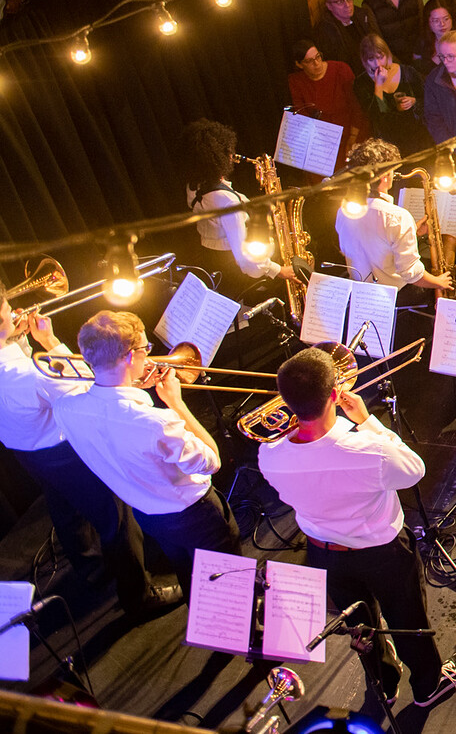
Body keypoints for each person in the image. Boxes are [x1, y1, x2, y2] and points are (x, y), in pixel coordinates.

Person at [260, 347, 456, 708]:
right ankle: (427, 684)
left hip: (322, 551)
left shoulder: (269, 454)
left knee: (360, 626)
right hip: (382, 552)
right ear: (332, 396)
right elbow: (414, 470)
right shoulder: (367, 450)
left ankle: (383, 683)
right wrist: (367, 421)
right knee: (407, 619)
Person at [0, 292, 173, 616]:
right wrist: (49, 340)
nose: (16, 313)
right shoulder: (30, 372)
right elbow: (85, 385)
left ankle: (92, 570)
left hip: (25, 450)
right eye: (9, 311)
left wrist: (18, 339)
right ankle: (139, 597)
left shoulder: (14, 361)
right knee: (117, 516)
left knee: (63, 506)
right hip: (62, 449)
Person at [53, 311, 241, 595]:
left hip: (148, 515)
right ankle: (247, 631)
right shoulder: (157, 422)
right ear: (129, 357)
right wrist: (175, 402)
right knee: (231, 582)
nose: (149, 356)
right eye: (145, 349)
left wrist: (129, 384)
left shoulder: (64, 408)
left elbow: (109, 407)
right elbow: (211, 461)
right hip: (195, 515)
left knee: (190, 577)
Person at [177, 118, 304, 299]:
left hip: (214, 263)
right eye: (229, 152)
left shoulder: (194, 186)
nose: (233, 156)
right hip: (242, 277)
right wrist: (279, 270)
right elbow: (247, 261)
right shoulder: (228, 201)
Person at [335, 139, 456, 299]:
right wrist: (438, 281)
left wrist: (411, 231)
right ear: (385, 176)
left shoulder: (344, 211)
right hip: (394, 297)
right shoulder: (398, 217)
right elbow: (410, 273)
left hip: (358, 294)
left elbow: (371, 244)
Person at [288, 38, 368, 169]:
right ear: (299, 64)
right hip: (324, 141)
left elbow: (357, 106)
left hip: (353, 132)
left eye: (318, 57)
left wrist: (352, 138)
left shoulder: (340, 69)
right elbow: (302, 115)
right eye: (309, 61)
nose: (317, 64)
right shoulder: (296, 81)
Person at [355, 35, 431, 154]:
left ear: (387, 54)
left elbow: (428, 100)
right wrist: (378, 85)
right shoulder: (361, 83)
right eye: (371, 59)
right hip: (388, 145)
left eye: (381, 57)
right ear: (365, 60)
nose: (377, 63)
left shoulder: (407, 72)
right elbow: (376, 116)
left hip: (417, 137)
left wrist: (414, 101)